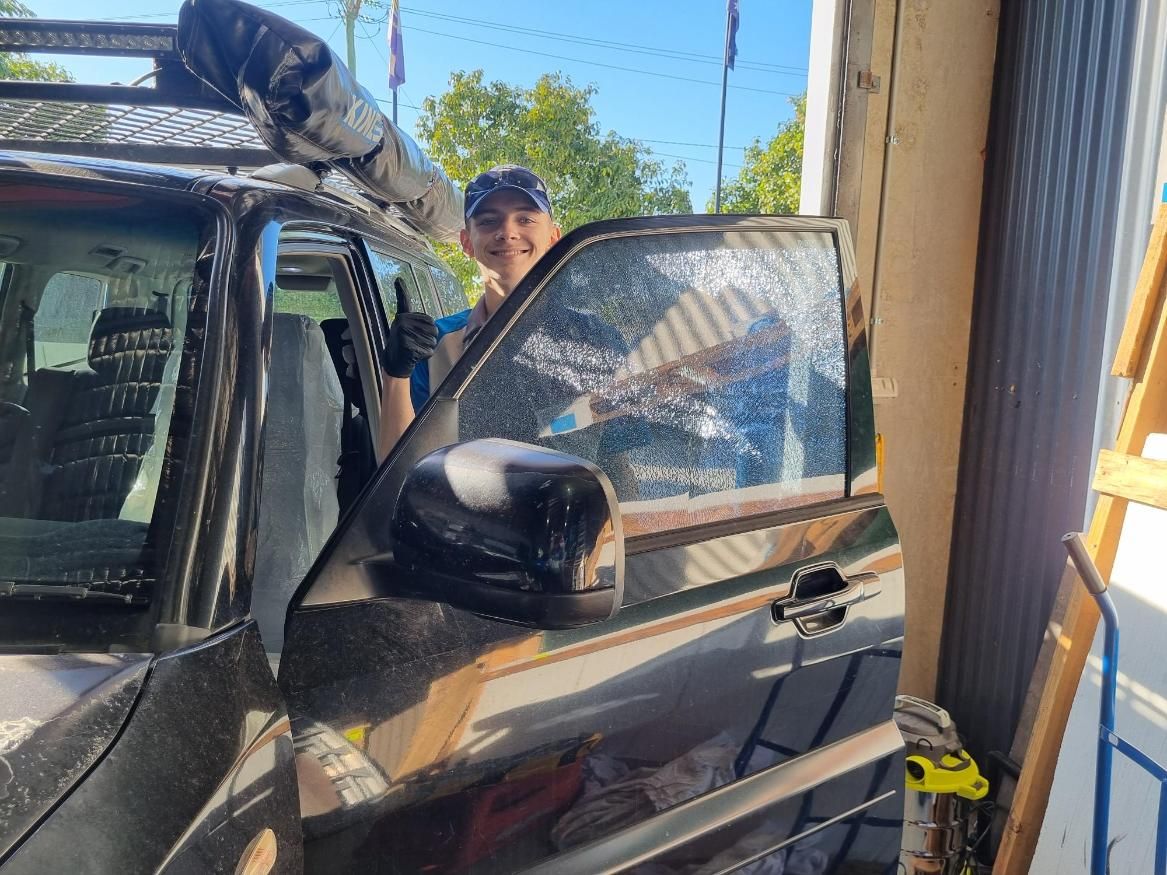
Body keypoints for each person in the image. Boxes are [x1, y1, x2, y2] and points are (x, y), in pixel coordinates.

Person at [377, 165, 561, 457]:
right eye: (488, 221)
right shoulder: (433, 347)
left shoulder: (597, 339)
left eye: (525, 219)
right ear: (466, 242)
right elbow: (398, 468)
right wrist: (395, 375)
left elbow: (622, 460)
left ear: (553, 237)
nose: (507, 232)